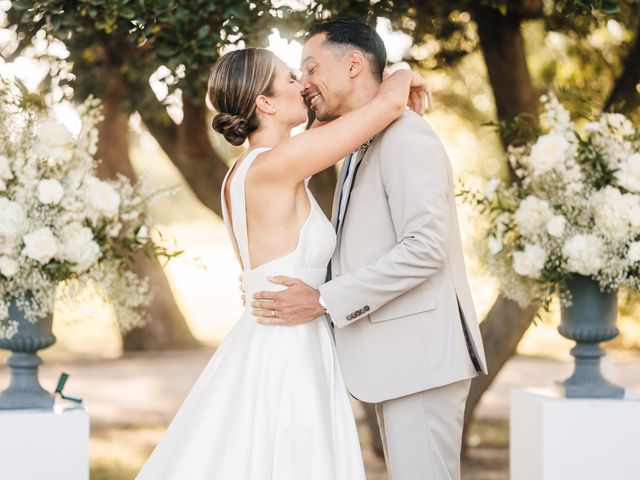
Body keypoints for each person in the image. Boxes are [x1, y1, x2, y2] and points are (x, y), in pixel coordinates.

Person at [135, 45, 428, 479]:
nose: (304, 84)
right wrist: (404, 72)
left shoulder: (247, 170)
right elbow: (386, 105)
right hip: (290, 346)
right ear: (265, 103)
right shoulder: (278, 164)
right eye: (291, 78)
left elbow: (336, 123)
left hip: (274, 336)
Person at [251, 19, 488, 480]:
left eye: (312, 67)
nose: (305, 85)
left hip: (422, 363)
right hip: (400, 361)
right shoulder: (359, 144)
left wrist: (323, 299)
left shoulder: (406, 136)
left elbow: (425, 248)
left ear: (354, 64)